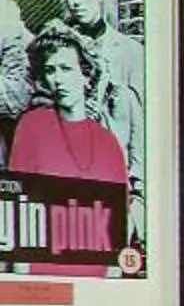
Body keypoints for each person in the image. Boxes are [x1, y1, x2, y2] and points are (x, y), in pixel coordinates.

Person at [49, 0, 146, 244]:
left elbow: (142, 135)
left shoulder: (131, 53)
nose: (75, 1)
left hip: (120, 194)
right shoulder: (55, 51)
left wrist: (139, 202)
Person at [5, 26, 130, 186]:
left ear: (85, 74)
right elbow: (19, 196)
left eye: (66, 69)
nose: (58, 79)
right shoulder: (32, 126)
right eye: (50, 70)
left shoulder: (107, 142)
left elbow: (117, 205)